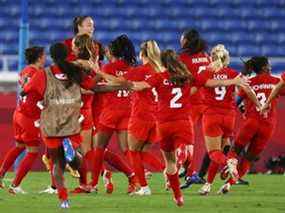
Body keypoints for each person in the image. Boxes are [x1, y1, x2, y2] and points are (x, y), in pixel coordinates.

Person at [22, 43, 124, 208]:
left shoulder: (44, 74)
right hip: (75, 116)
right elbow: (93, 87)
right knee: (82, 154)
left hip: (52, 121)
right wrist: (117, 84)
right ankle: (85, 177)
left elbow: (26, 91)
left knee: (56, 162)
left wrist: (30, 91)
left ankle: (63, 199)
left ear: (51, 57)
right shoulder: (75, 71)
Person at [195, 45, 260, 195]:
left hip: (212, 115)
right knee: (221, 151)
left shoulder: (206, 72)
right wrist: (259, 105)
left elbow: (205, 84)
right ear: (226, 58)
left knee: (214, 153)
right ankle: (208, 185)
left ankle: (229, 163)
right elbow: (248, 90)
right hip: (229, 117)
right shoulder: (233, 73)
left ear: (211, 57)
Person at [219, 57, 282, 194]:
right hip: (268, 125)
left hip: (251, 122)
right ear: (265, 67)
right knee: (249, 158)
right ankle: (229, 184)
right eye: (269, 65)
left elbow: (237, 101)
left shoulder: (250, 82)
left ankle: (231, 164)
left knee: (234, 151)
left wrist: (242, 109)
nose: (270, 68)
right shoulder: (276, 81)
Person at [90, 35, 138, 193]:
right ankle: (136, 181)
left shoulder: (108, 68)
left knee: (99, 147)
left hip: (110, 112)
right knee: (126, 149)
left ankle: (94, 184)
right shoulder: (132, 67)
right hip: (128, 111)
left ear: (113, 52)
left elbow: (93, 87)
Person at [0, 46, 46, 193]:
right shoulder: (38, 74)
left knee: (19, 146)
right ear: (39, 57)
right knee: (32, 151)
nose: (45, 58)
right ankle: (15, 186)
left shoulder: (24, 70)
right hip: (29, 116)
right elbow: (41, 92)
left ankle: (0, 175)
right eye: (44, 55)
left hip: (18, 113)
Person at [125, 40, 166, 195]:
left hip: (141, 115)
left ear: (142, 54)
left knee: (133, 152)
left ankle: (144, 187)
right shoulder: (162, 70)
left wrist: (99, 72)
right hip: (157, 117)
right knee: (141, 153)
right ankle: (167, 171)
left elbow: (118, 81)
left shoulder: (141, 71)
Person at [178, 28, 211, 188]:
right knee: (210, 140)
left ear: (186, 40)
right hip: (207, 101)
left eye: (182, 37)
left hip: (190, 100)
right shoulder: (205, 57)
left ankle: (187, 168)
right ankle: (193, 173)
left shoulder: (183, 58)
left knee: (186, 138)